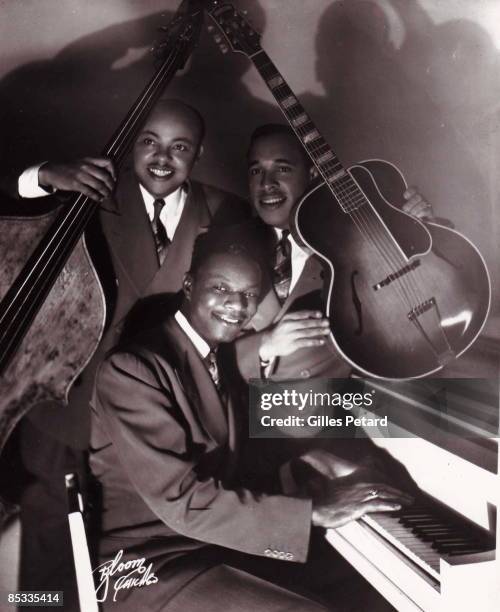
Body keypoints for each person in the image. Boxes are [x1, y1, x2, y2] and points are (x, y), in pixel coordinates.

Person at [89, 228, 412, 611]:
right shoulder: (133, 368)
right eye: (221, 288)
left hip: (212, 546)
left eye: (248, 295)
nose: (236, 305)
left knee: (370, 589)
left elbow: (234, 460)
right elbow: (182, 501)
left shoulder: (215, 357)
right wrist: (314, 511)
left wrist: (319, 459)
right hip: (148, 565)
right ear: (189, 285)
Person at [5, 99, 250, 603]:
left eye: (179, 148)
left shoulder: (223, 210)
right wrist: (46, 173)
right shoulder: (89, 194)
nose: (163, 158)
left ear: (198, 155)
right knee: (49, 555)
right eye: (150, 143)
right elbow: (12, 200)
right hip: (69, 405)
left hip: (156, 418)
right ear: (130, 147)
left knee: (133, 563)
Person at [235, 123, 435, 383]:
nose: (266, 184)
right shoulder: (225, 242)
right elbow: (196, 346)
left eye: (282, 169)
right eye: (256, 171)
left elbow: (417, 319)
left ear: (313, 173)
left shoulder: (361, 238)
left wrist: (422, 230)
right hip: (245, 415)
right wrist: (264, 346)